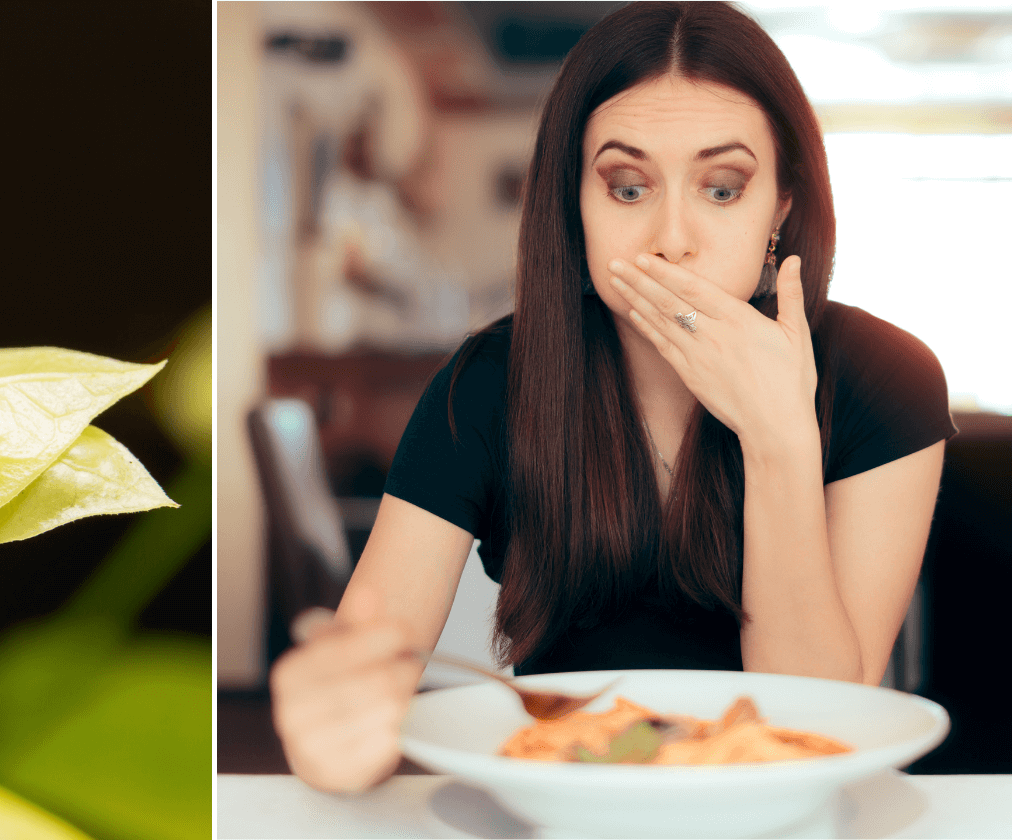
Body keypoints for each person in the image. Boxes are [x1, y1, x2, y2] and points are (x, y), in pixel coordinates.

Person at [270, 1, 958, 794]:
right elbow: (365, 664)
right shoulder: (487, 383)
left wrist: (778, 441)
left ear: (784, 207)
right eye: (628, 188)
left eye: (724, 189)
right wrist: (334, 734)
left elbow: (825, 721)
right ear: (576, 205)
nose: (671, 238)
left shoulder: (887, 378)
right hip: (559, 799)